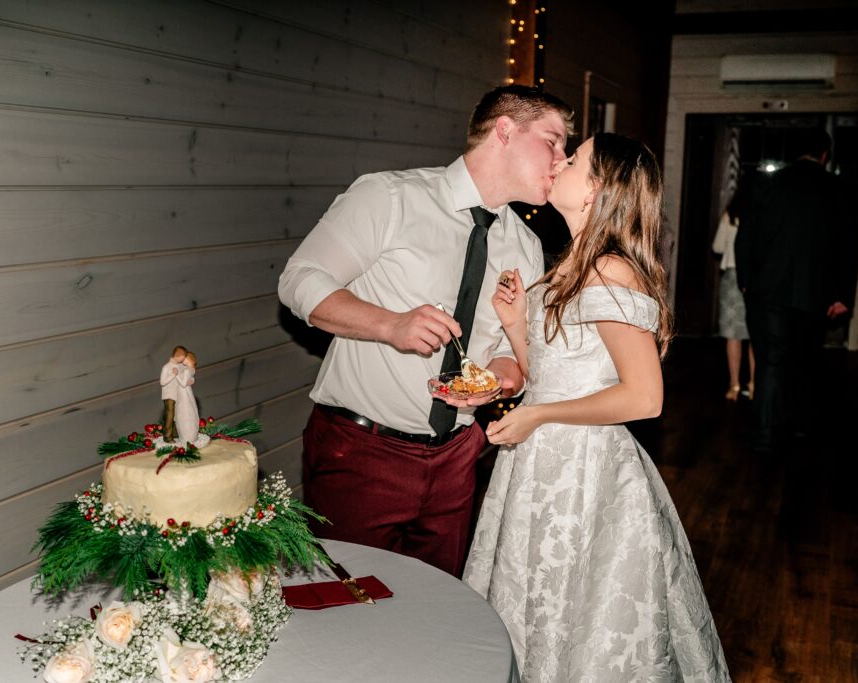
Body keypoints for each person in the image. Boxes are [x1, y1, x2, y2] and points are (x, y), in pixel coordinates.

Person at [464, 133, 730, 681]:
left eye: (575, 158)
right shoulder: (566, 265)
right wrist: (517, 327)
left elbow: (644, 398)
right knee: (533, 608)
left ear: (597, 190)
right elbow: (550, 378)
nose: (560, 161)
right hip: (537, 465)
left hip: (585, 473)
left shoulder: (613, 271)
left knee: (578, 617)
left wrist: (536, 415)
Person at [278, 85, 574, 576]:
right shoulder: (390, 197)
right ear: (504, 130)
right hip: (362, 453)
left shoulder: (525, 242)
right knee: (348, 611)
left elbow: (513, 353)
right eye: (553, 141)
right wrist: (389, 324)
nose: (561, 160)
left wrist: (500, 380)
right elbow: (299, 281)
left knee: (437, 618)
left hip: (458, 459)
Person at [734, 129, 858, 453]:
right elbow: (848, 246)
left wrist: (745, 279)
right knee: (805, 362)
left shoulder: (767, 184)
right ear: (824, 155)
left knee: (770, 361)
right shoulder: (839, 189)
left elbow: (744, 236)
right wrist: (843, 294)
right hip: (814, 292)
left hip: (766, 291)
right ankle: (799, 429)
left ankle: (764, 433)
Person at [712, 193, 755, 400]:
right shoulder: (761, 213)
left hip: (732, 275)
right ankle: (754, 384)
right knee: (756, 333)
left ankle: (734, 385)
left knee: (733, 334)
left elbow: (717, 247)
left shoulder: (730, 215)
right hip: (757, 277)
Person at [160, 345, 188, 442]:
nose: (183, 360)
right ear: (178, 356)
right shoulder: (166, 367)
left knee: (178, 415)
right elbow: (162, 382)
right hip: (169, 395)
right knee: (170, 415)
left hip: (178, 394)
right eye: (183, 357)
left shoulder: (180, 366)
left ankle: (176, 433)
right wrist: (173, 375)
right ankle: (167, 436)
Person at [174, 351, 200, 444]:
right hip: (187, 392)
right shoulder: (190, 369)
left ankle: (186, 436)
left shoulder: (186, 370)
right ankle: (190, 435)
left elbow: (183, 383)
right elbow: (191, 380)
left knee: (184, 411)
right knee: (189, 410)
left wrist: (176, 375)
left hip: (183, 392)